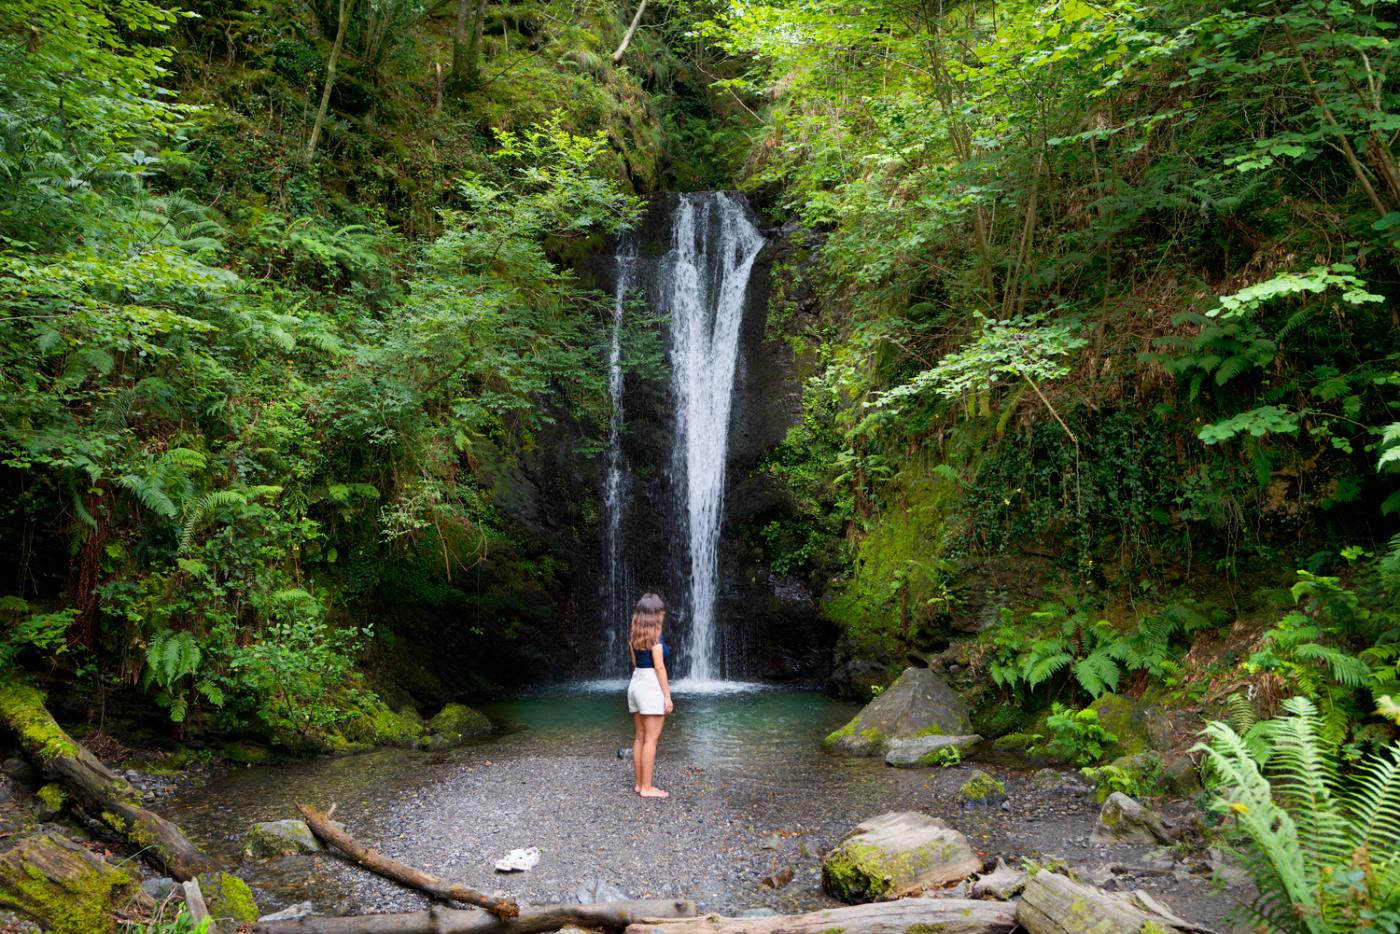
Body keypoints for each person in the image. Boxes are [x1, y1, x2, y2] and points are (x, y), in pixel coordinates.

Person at [627, 592, 674, 798]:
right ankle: (647, 787)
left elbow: (635, 663)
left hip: (636, 684)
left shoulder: (635, 636)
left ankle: (639, 783)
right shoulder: (655, 637)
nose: (663, 615)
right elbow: (660, 668)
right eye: (661, 612)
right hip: (650, 686)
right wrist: (667, 696)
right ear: (655, 614)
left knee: (640, 737)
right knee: (651, 740)